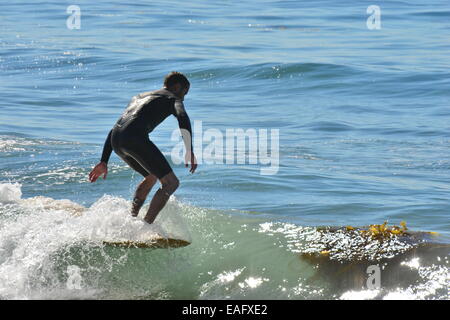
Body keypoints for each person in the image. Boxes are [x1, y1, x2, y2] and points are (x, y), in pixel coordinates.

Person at [88, 71, 197, 224]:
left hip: (116, 140)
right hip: (134, 138)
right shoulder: (172, 98)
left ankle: (131, 220)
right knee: (171, 183)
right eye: (185, 93)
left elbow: (115, 129)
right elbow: (183, 117)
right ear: (177, 87)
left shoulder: (138, 97)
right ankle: (146, 225)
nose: (184, 98)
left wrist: (104, 161)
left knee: (152, 176)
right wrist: (189, 149)